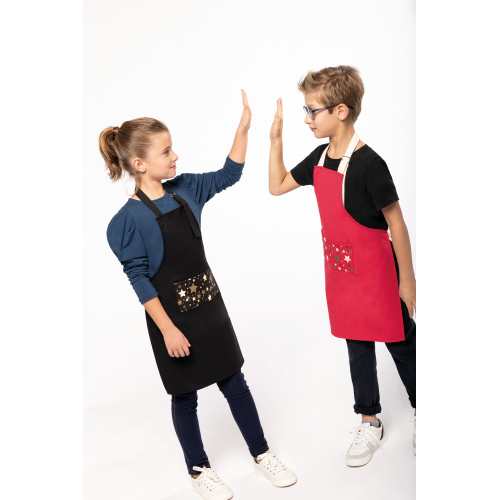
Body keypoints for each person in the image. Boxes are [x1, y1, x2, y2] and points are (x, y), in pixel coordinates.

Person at [101, 90, 297, 499]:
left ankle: (261, 454)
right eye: (166, 152)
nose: (175, 157)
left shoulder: (186, 188)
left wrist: (244, 127)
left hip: (211, 309)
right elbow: (140, 280)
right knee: (184, 396)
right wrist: (168, 330)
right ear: (139, 164)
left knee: (235, 383)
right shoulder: (126, 222)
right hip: (171, 321)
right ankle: (198, 470)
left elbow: (229, 174)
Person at [268, 66, 416, 466]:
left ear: (341, 111)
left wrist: (408, 281)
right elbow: (277, 185)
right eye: (306, 110)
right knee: (357, 347)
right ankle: (370, 421)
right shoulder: (319, 158)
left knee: (402, 344)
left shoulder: (370, 164)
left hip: (379, 275)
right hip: (342, 275)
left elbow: (396, 223)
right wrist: (276, 139)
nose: (306, 118)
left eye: (312, 110)